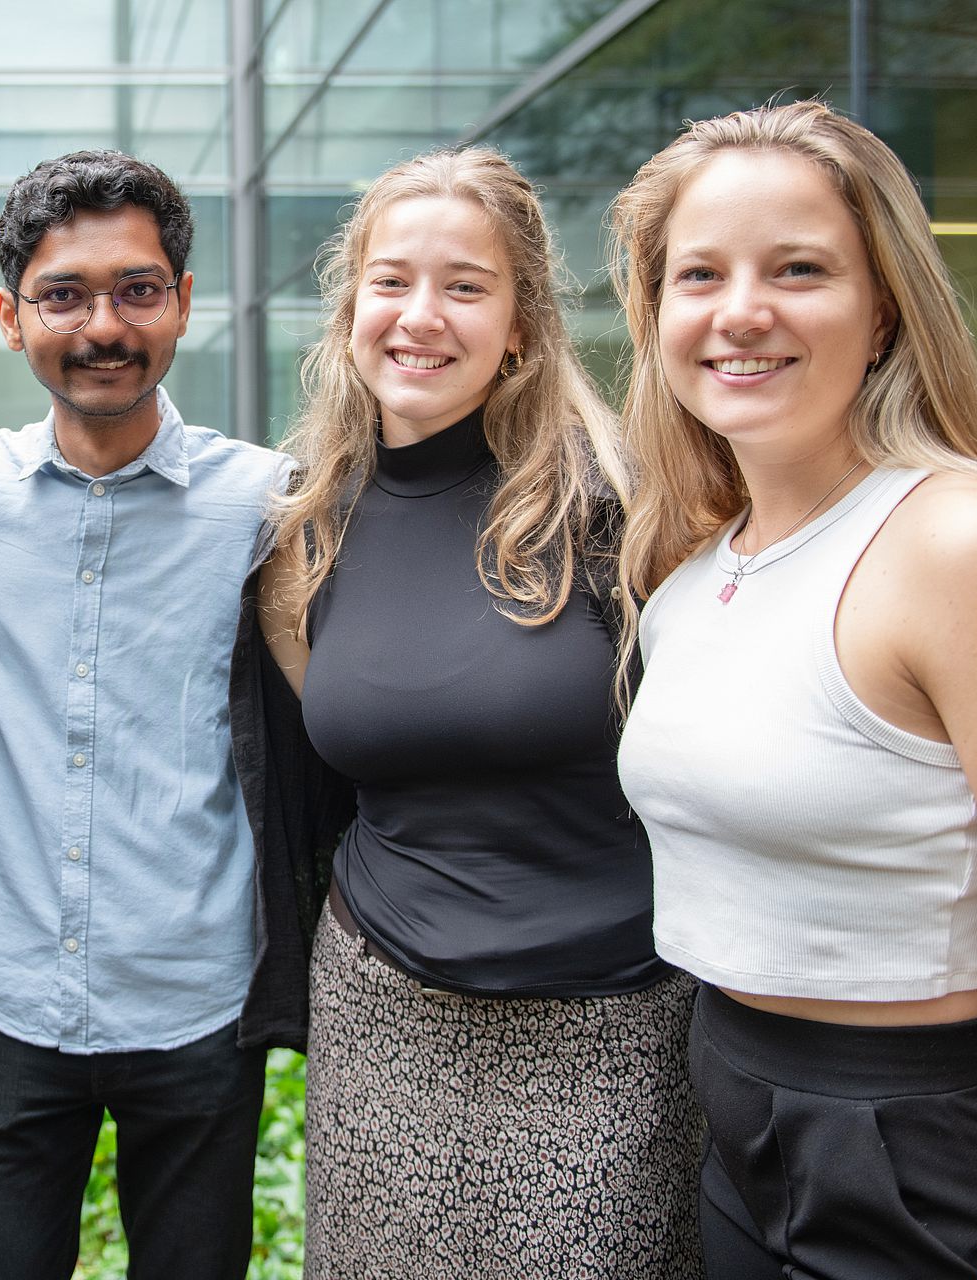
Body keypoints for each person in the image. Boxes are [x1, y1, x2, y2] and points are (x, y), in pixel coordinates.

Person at [611, 100, 977, 1279]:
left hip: (905, 1143)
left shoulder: (968, 543)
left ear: (883, 311)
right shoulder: (695, 565)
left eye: (800, 269)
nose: (741, 310)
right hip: (732, 1110)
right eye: (699, 274)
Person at [246, 148, 702, 1278]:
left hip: (610, 1029)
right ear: (351, 311)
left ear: (522, 327)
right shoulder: (304, 528)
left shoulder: (625, 512)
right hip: (384, 1014)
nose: (420, 316)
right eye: (391, 281)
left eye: (464, 286)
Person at [0, 150, 294, 1280]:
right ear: (12, 316)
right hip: (6, 994)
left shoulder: (264, 502)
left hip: (198, 994)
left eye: (137, 289)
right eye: (63, 295)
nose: (103, 326)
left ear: (183, 302)